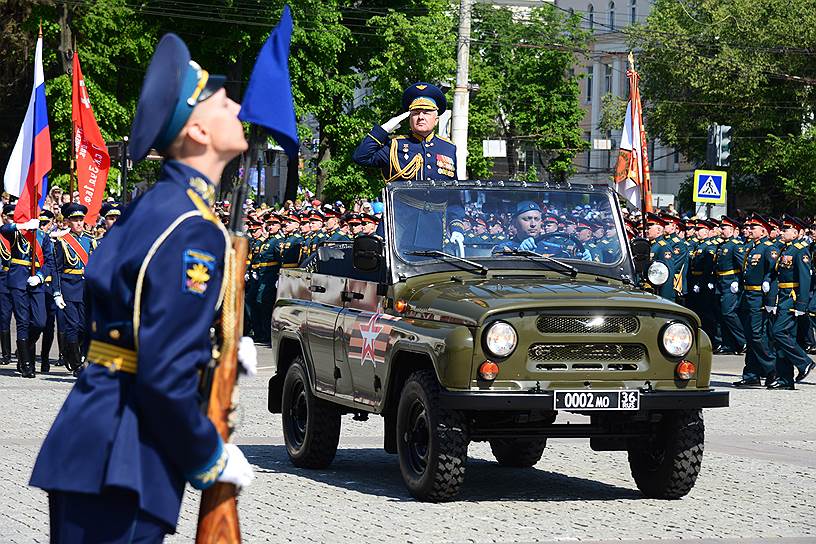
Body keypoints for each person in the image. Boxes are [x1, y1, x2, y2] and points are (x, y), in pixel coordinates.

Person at [30, 34, 254, 541]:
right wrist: (208, 456)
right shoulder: (193, 229)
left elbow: (120, 316)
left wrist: (213, 351)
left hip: (96, 439)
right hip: (125, 456)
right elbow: (161, 372)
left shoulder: (152, 208)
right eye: (221, 101)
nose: (235, 105)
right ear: (198, 130)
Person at [352, 82, 465, 251]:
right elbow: (360, 156)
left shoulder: (448, 148)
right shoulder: (395, 145)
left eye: (426, 112)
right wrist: (384, 129)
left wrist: (456, 227)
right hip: (398, 225)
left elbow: (454, 195)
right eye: (415, 113)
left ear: (436, 118)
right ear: (408, 118)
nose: (421, 117)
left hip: (433, 229)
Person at [0, 205, 55, 378]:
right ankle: (26, 364)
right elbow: (3, 229)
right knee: (23, 321)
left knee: (40, 321)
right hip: (17, 279)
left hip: (35, 281)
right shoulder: (17, 232)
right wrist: (21, 226)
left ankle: (23, 349)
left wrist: (40, 275)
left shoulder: (43, 237)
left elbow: (50, 261)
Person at [768, 216, 815, 389]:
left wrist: (802, 305)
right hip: (783, 295)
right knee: (786, 338)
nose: (781, 232)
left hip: (792, 297)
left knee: (778, 332)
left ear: (796, 233)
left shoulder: (800, 250)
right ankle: (785, 379)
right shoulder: (785, 249)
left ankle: (804, 363)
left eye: (785, 230)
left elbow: (805, 278)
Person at [51, 203, 97, 376]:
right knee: (73, 326)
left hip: (86, 288)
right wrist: (57, 291)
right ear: (69, 222)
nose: (78, 223)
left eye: (80, 219)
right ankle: (76, 364)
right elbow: (56, 269)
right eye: (75, 220)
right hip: (69, 286)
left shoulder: (90, 240)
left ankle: (71, 352)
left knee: (85, 327)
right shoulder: (63, 242)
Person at [733, 214, 779, 388]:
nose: (749, 230)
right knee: (750, 335)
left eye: (753, 228)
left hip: (759, 297)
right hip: (748, 296)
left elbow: (773, 270)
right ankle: (751, 373)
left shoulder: (768, 248)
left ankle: (772, 369)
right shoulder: (751, 247)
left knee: (757, 335)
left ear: (763, 230)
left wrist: (769, 292)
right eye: (749, 227)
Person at [715, 216, 747, 354]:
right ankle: (729, 344)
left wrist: (738, 282)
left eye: (724, 228)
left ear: (734, 230)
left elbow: (744, 266)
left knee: (728, 312)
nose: (721, 230)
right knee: (721, 314)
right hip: (720, 282)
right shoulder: (722, 245)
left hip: (731, 283)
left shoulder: (736, 245)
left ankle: (743, 341)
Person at [0, 204, 15, 365]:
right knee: (4, 317)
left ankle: (25, 348)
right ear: (4, 217)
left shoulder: (20, 234)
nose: (12, 220)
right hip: (4, 280)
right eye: (10, 217)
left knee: (26, 318)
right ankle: (6, 353)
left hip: (21, 279)